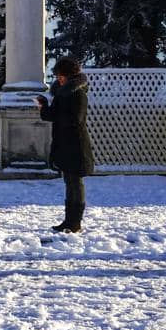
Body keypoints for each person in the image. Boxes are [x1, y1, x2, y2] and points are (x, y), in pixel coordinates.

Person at [35, 57, 95, 233]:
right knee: (69, 181)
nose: (59, 78)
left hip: (76, 143)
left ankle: (75, 222)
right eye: (58, 75)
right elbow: (52, 115)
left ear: (71, 75)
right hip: (64, 142)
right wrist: (43, 106)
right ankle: (69, 221)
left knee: (75, 182)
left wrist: (57, 114)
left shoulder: (78, 93)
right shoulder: (62, 93)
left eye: (62, 76)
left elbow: (76, 119)